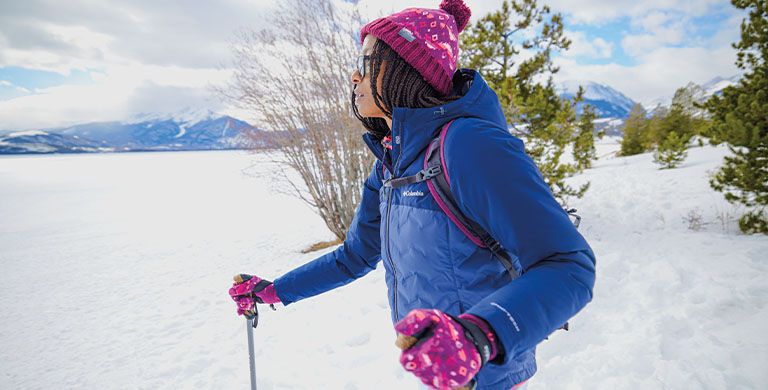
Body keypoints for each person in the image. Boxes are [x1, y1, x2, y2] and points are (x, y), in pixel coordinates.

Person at [229, 1, 596, 389]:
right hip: (437, 371)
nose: (355, 75)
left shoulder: (468, 145)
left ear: (407, 69)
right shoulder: (393, 163)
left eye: (367, 62)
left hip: (488, 374)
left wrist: (477, 336)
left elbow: (569, 265)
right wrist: (274, 291)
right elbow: (354, 256)